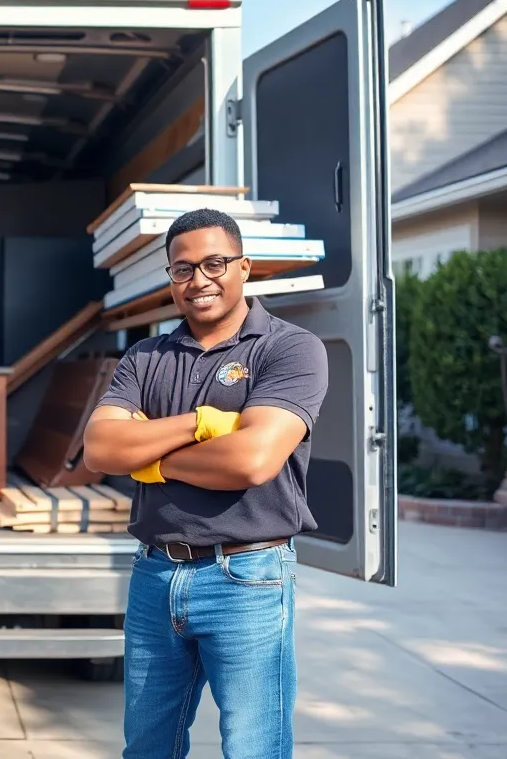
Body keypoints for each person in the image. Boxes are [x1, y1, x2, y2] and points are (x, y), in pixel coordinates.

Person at [83, 207, 329, 759]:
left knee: (252, 748)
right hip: (154, 574)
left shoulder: (289, 348)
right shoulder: (146, 357)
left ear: (244, 267)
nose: (199, 280)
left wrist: (151, 458)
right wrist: (200, 425)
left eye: (214, 263)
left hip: (246, 576)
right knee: (146, 747)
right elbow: (101, 449)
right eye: (182, 269)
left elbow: (252, 461)